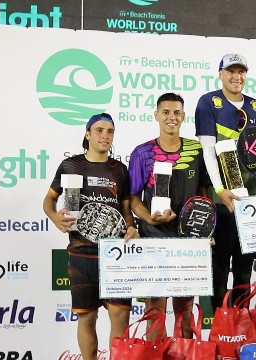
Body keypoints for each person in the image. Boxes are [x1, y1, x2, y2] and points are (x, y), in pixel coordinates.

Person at [43, 113, 139, 360]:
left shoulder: (120, 169)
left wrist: (130, 226)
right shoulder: (71, 166)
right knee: (87, 316)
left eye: (110, 131)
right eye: (99, 130)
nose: (105, 136)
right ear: (87, 134)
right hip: (81, 253)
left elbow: (126, 207)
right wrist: (55, 217)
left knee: (119, 316)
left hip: (115, 254)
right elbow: (49, 200)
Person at [128, 93, 209, 338]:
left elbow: (203, 192)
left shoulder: (196, 150)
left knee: (185, 308)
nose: (171, 117)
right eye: (166, 112)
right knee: (155, 308)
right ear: (156, 115)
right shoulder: (142, 153)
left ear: (183, 116)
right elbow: (132, 197)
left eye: (176, 112)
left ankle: (185, 352)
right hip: (154, 235)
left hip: (188, 238)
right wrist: (150, 218)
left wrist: (205, 229)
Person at [195, 53, 256, 310]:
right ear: (220, 74)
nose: (236, 77)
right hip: (221, 199)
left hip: (250, 200)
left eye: (241, 72)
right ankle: (219, 331)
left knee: (243, 271)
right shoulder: (208, 102)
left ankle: (240, 329)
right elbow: (207, 150)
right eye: (231, 71)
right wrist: (219, 189)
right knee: (219, 268)